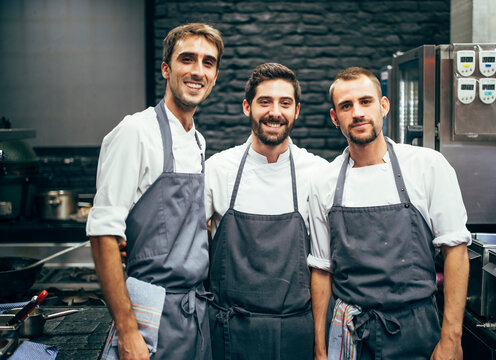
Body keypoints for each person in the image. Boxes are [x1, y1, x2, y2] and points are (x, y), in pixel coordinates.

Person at [308, 67, 470, 360]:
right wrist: (320, 350)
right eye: (346, 106)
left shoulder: (428, 166)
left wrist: (451, 339)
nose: (357, 112)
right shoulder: (324, 181)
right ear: (335, 118)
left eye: (365, 101)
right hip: (350, 331)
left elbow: (455, 251)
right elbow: (321, 270)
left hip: (417, 330)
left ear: (383, 106)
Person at [87, 23, 224, 360]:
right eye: (187, 59)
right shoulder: (136, 131)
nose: (197, 71)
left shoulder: (197, 140)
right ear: (166, 69)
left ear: (215, 75)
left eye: (208, 62)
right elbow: (102, 233)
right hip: (150, 313)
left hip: (194, 313)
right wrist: (127, 330)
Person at [204, 63, 328, 360]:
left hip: (297, 333)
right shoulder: (217, 170)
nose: (275, 112)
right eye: (264, 102)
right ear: (247, 107)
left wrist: (321, 347)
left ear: (297, 110)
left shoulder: (319, 174)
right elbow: (188, 248)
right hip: (229, 330)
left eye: (285, 103)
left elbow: (325, 266)